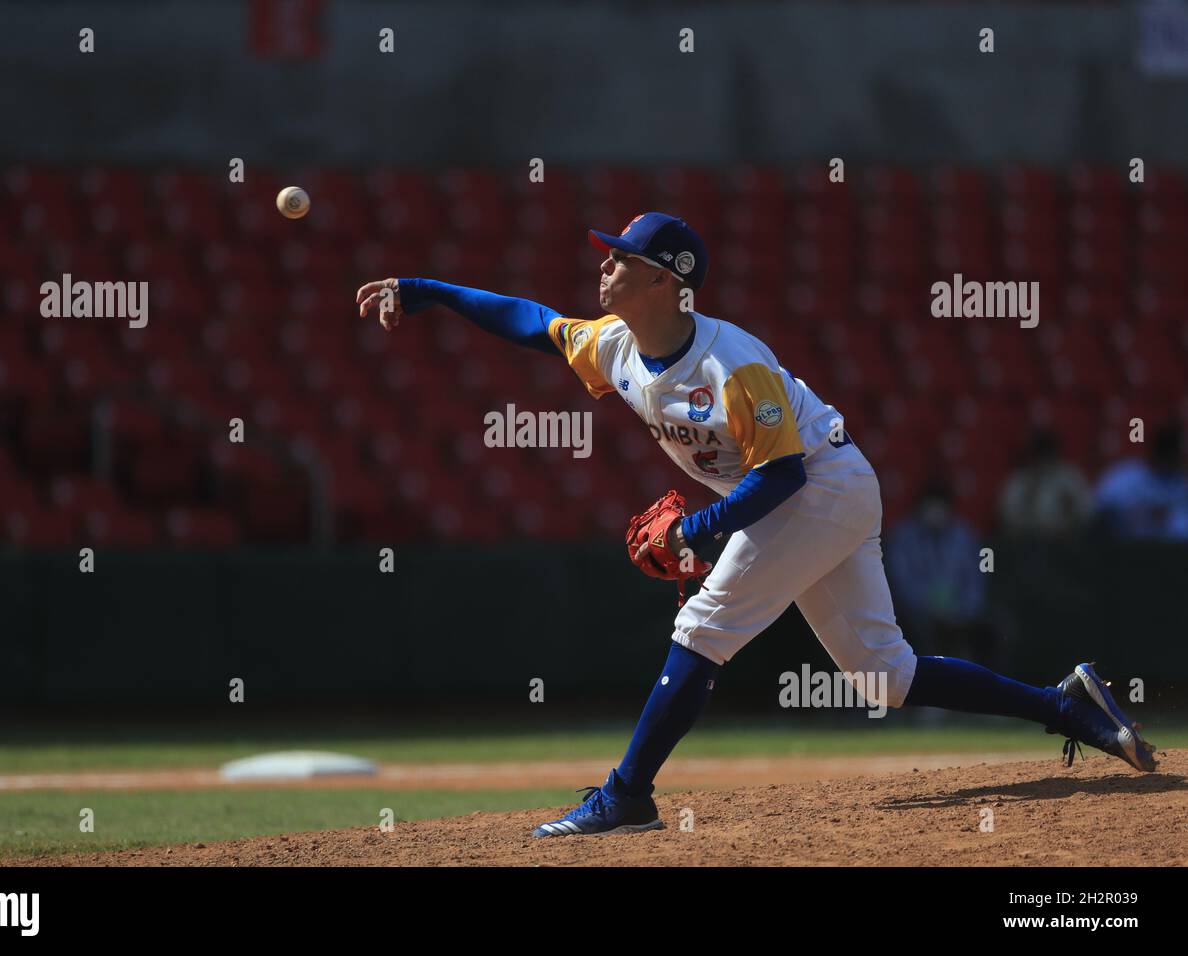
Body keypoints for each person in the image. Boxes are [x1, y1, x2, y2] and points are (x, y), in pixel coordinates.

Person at [355, 212, 1157, 838]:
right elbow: (529, 321)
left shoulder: (730, 365)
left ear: (671, 282)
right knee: (886, 675)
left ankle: (625, 797)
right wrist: (424, 290)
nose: (603, 267)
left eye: (621, 259)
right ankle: (1068, 705)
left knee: (702, 627)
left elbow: (785, 475)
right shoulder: (616, 347)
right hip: (813, 494)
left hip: (824, 488)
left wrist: (697, 529)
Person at [887, 479, 994, 663]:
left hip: (961, 613)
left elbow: (977, 578)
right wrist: (931, 608)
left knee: (991, 629)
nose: (935, 511)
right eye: (931, 505)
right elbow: (902, 582)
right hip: (918, 614)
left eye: (940, 506)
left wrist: (964, 610)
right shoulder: (903, 536)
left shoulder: (965, 535)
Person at [1092, 422, 1188, 540]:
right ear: (1163, 453)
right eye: (1176, 455)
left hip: (1170, 552)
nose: (1179, 461)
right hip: (1124, 550)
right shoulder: (1124, 477)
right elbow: (1100, 511)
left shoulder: (1181, 484)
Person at [998, 429, 1091, 537]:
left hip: (1064, 540)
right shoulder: (1021, 480)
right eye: (1040, 455)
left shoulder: (1069, 478)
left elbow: (1087, 514)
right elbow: (1007, 518)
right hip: (1028, 541)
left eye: (1047, 454)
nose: (1044, 462)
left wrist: (1071, 514)